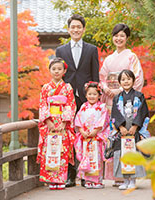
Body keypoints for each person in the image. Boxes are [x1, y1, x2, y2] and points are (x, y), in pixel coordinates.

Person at [56, 14, 100, 187]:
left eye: (78, 27)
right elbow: (58, 73)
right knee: (68, 135)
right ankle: (69, 174)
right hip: (67, 98)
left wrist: (96, 99)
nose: (75, 30)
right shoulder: (61, 51)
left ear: (83, 29)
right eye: (72, 27)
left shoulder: (91, 49)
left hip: (86, 98)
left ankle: (86, 174)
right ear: (68, 29)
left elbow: (95, 75)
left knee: (87, 135)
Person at [99, 23, 144, 185]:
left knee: (128, 136)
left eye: (122, 36)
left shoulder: (131, 57)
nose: (119, 38)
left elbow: (137, 78)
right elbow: (102, 77)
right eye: (116, 35)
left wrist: (120, 89)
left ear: (127, 38)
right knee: (114, 135)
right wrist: (105, 88)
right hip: (111, 99)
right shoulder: (109, 59)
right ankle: (116, 175)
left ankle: (129, 174)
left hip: (127, 102)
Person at [37, 57, 76, 190]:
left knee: (62, 150)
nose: (56, 71)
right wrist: (48, 122)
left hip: (62, 124)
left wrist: (64, 123)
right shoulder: (46, 88)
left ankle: (60, 180)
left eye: (59, 69)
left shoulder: (67, 88)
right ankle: (50, 180)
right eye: (54, 69)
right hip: (50, 124)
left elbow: (70, 105)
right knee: (50, 150)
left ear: (64, 70)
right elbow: (42, 105)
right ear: (49, 70)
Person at [111, 69, 149, 190]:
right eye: (123, 79)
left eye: (128, 79)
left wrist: (135, 126)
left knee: (133, 153)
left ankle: (133, 180)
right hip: (122, 132)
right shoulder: (117, 98)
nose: (126, 81)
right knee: (122, 154)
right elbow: (114, 115)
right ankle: (125, 180)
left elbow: (143, 113)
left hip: (134, 131)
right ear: (119, 82)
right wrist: (121, 127)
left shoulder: (139, 96)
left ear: (133, 80)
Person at [74, 82, 109, 189]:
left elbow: (104, 121)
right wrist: (82, 131)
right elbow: (78, 120)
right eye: (89, 94)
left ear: (99, 95)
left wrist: (96, 130)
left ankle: (97, 181)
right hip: (85, 136)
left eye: (94, 94)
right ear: (86, 95)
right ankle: (88, 180)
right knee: (87, 158)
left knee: (96, 158)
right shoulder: (84, 106)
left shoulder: (102, 107)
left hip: (96, 137)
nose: (92, 96)